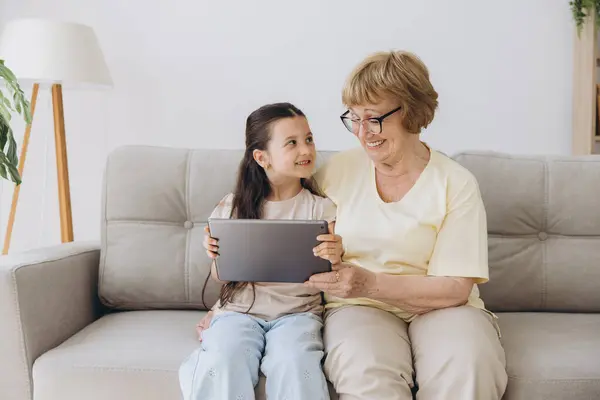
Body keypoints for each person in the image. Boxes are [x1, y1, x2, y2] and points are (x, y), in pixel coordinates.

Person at [303, 50, 508, 399]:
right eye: (353, 118)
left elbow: (456, 288)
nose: (362, 132)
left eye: (374, 118)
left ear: (412, 113)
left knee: (468, 365)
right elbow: (278, 215)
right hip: (357, 308)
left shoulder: (455, 183)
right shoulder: (336, 171)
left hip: (443, 308)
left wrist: (370, 283)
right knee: (365, 370)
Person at [178, 102, 342, 400]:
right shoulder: (233, 206)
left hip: (298, 314)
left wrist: (336, 256)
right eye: (291, 143)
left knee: (295, 363)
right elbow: (222, 277)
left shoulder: (322, 209)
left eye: (309, 139)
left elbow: (333, 273)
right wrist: (216, 255)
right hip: (239, 313)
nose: (306, 150)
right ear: (261, 157)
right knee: (224, 359)